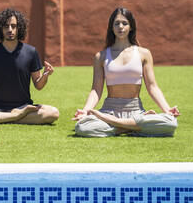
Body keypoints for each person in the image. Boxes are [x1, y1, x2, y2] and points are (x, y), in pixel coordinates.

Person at [73, 7, 180, 137]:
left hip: (136, 111)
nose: (121, 27)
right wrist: (85, 111)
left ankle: (118, 125)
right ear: (111, 28)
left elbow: (152, 86)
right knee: (82, 127)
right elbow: (96, 90)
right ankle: (130, 127)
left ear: (131, 27)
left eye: (125, 23)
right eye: (116, 23)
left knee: (171, 123)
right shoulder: (100, 56)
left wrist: (167, 110)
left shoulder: (144, 53)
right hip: (109, 111)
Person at [0, 8, 59, 124]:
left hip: (24, 107)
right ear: (0, 29)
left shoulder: (31, 52)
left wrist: (45, 75)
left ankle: (6, 117)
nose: (10, 30)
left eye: (13, 26)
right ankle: (16, 117)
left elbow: (38, 85)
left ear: (19, 28)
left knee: (53, 112)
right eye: (6, 26)